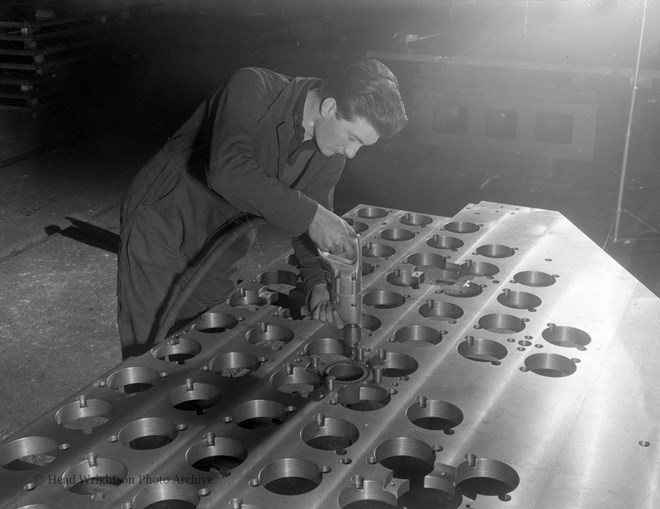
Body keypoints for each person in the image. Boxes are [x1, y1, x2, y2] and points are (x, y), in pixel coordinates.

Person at [117, 58, 407, 359]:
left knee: (209, 342)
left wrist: (317, 283)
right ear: (330, 107)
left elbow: (315, 226)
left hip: (224, 237)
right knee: (152, 349)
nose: (351, 152)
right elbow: (227, 170)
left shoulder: (329, 152)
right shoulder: (253, 87)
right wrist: (312, 216)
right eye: (352, 138)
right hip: (166, 217)